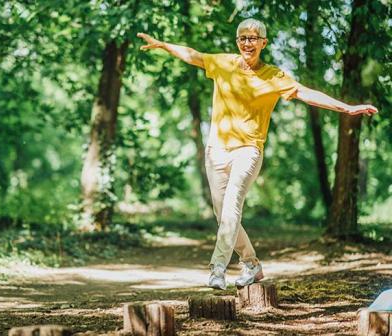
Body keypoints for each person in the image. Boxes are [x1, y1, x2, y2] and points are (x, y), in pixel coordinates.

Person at [137, 18, 378, 290]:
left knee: (232, 207)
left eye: (253, 38)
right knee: (223, 215)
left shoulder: (274, 76)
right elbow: (193, 55)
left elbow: (306, 93)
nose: (247, 43)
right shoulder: (223, 63)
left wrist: (347, 108)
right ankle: (251, 264)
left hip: (248, 150)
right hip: (216, 150)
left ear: (264, 42)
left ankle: (217, 269)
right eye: (242, 38)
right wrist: (162, 45)